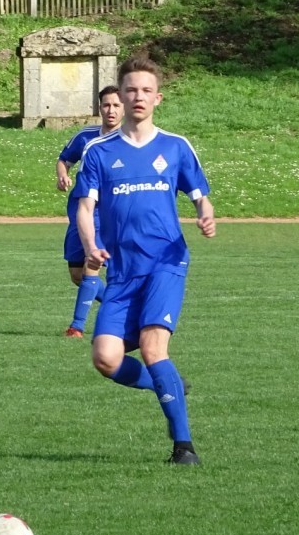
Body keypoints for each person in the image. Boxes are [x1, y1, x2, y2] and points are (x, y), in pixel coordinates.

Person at [75, 56, 216, 465]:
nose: (137, 96)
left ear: (158, 97)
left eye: (145, 90)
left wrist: (205, 212)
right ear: (120, 95)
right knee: (105, 358)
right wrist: (90, 244)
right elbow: (85, 208)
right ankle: (166, 383)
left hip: (166, 263)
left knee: (154, 349)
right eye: (130, 89)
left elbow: (200, 195)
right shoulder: (100, 152)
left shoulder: (175, 147)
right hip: (121, 271)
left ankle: (184, 447)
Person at [56, 85, 122, 338]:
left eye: (116, 105)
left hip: (103, 214)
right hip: (78, 212)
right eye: (107, 105)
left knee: (90, 266)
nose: (111, 110)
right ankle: (122, 309)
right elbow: (64, 160)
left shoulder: (126, 141)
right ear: (100, 107)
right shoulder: (86, 136)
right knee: (77, 275)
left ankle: (77, 327)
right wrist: (62, 176)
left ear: (124, 107)